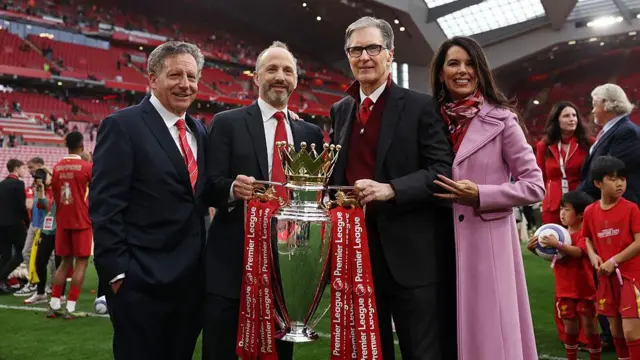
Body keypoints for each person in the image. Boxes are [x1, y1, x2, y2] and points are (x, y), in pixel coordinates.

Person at [328, 17, 454, 359]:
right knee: (369, 352)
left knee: (422, 351)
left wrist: (392, 189)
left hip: (411, 256)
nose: (364, 56)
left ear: (389, 55)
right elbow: (334, 176)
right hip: (356, 255)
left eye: (373, 48)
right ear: (348, 55)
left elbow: (442, 171)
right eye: (356, 49)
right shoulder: (340, 110)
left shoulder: (421, 106)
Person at [204, 41, 324, 360]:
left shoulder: (310, 133)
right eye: (271, 69)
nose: (280, 77)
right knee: (221, 350)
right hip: (232, 266)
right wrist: (232, 188)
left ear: (296, 79)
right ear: (256, 77)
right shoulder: (227, 122)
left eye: (287, 70)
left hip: (287, 268)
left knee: (279, 354)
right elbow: (207, 186)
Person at [90, 41, 207, 359]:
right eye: (176, 75)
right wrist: (117, 277)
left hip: (189, 287)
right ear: (153, 78)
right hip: (140, 287)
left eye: (192, 76)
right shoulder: (123, 126)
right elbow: (105, 206)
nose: (185, 84)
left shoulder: (199, 131)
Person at [430, 36, 544, 360]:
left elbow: (534, 185)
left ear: (481, 72)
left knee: (490, 340)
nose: (462, 71)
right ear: (440, 73)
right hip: (437, 243)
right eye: (453, 63)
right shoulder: (427, 120)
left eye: (470, 64)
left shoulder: (503, 120)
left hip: (487, 246)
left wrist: (480, 194)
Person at [527, 191, 602, 360]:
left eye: (567, 209)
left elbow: (577, 253)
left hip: (585, 290)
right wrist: (535, 250)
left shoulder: (584, 234)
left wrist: (557, 244)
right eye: (561, 208)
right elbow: (556, 259)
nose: (562, 213)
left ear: (581, 215)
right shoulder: (559, 233)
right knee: (570, 329)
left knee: (590, 328)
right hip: (564, 290)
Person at [583, 155, 640, 359]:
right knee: (616, 333)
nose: (619, 183)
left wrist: (613, 261)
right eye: (613, 178)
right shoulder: (590, 211)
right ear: (598, 183)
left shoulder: (631, 208)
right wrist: (593, 256)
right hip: (606, 279)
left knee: (631, 333)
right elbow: (586, 238)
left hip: (630, 278)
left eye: (622, 179)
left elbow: (639, 242)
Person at [46, 131, 92, 319]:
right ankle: (70, 308)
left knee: (64, 262)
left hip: (63, 220)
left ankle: (54, 304)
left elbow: (55, 196)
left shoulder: (56, 168)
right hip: (82, 219)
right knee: (81, 262)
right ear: (81, 145)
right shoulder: (87, 167)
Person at [580, 84, 640, 204]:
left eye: (594, 105)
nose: (592, 111)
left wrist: (578, 197)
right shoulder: (613, 130)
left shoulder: (626, 131)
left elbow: (607, 173)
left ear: (606, 104)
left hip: (619, 207)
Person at [536, 102, 593, 225]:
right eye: (566, 116)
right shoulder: (544, 146)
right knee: (554, 240)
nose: (572, 119)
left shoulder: (588, 143)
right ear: (556, 120)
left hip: (580, 203)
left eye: (574, 115)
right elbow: (541, 177)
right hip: (553, 206)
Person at [25, 167, 57, 305]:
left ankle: (58, 294)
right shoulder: (40, 190)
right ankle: (40, 292)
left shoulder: (59, 188)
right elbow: (43, 206)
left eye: (46, 175)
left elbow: (51, 206)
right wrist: (41, 190)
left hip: (60, 230)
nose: (45, 178)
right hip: (46, 230)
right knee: (39, 262)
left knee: (58, 263)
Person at [0, 159, 30, 294]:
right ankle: (2, 278)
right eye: (23, 168)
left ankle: (2, 281)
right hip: (15, 223)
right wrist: (28, 222)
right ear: (16, 168)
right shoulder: (18, 184)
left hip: (1, 224)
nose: (25, 171)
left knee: (6, 255)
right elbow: (20, 206)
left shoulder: (1, 184)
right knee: (23, 252)